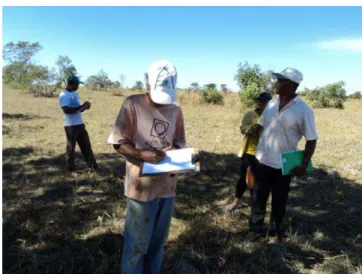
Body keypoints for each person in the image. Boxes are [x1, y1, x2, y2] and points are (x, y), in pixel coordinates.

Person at [107, 60, 186, 274]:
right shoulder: (132, 104)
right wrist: (142, 154)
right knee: (136, 246)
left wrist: (175, 151)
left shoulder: (176, 110)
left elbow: (179, 141)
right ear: (147, 84)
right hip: (140, 188)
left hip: (167, 188)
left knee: (157, 244)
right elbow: (118, 142)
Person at [248, 68, 318, 242]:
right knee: (258, 198)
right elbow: (262, 126)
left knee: (279, 202)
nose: (276, 83)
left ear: (290, 85)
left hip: (283, 166)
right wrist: (259, 149)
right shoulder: (271, 103)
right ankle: (255, 229)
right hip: (262, 160)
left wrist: (304, 163)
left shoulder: (304, 110)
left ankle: (274, 233)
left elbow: (311, 139)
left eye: (280, 80)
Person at [223, 92, 272, 212]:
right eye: (260, 100)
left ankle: (256, 205)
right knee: (243, 178)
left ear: (270, 103)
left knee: (259, 181)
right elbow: (242, 128)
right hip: (250, 152)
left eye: (264, 101)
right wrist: (252, 129)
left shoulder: (273, 116)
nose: (261, 103)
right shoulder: (251, 114)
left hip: (265, 154)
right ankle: (235, 202)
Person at [58, 75, 98, 172]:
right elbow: (66, 110)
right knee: (71, 148)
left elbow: (78, 110)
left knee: (86, 146)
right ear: (71, 84)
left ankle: (93, 166)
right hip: (70, 126)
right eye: (76, 85)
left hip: (80, 124)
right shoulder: (63, 95)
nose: (78, 87)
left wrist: (85, 107)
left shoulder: (75, 94)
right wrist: (81, 106)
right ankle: (71, 169)